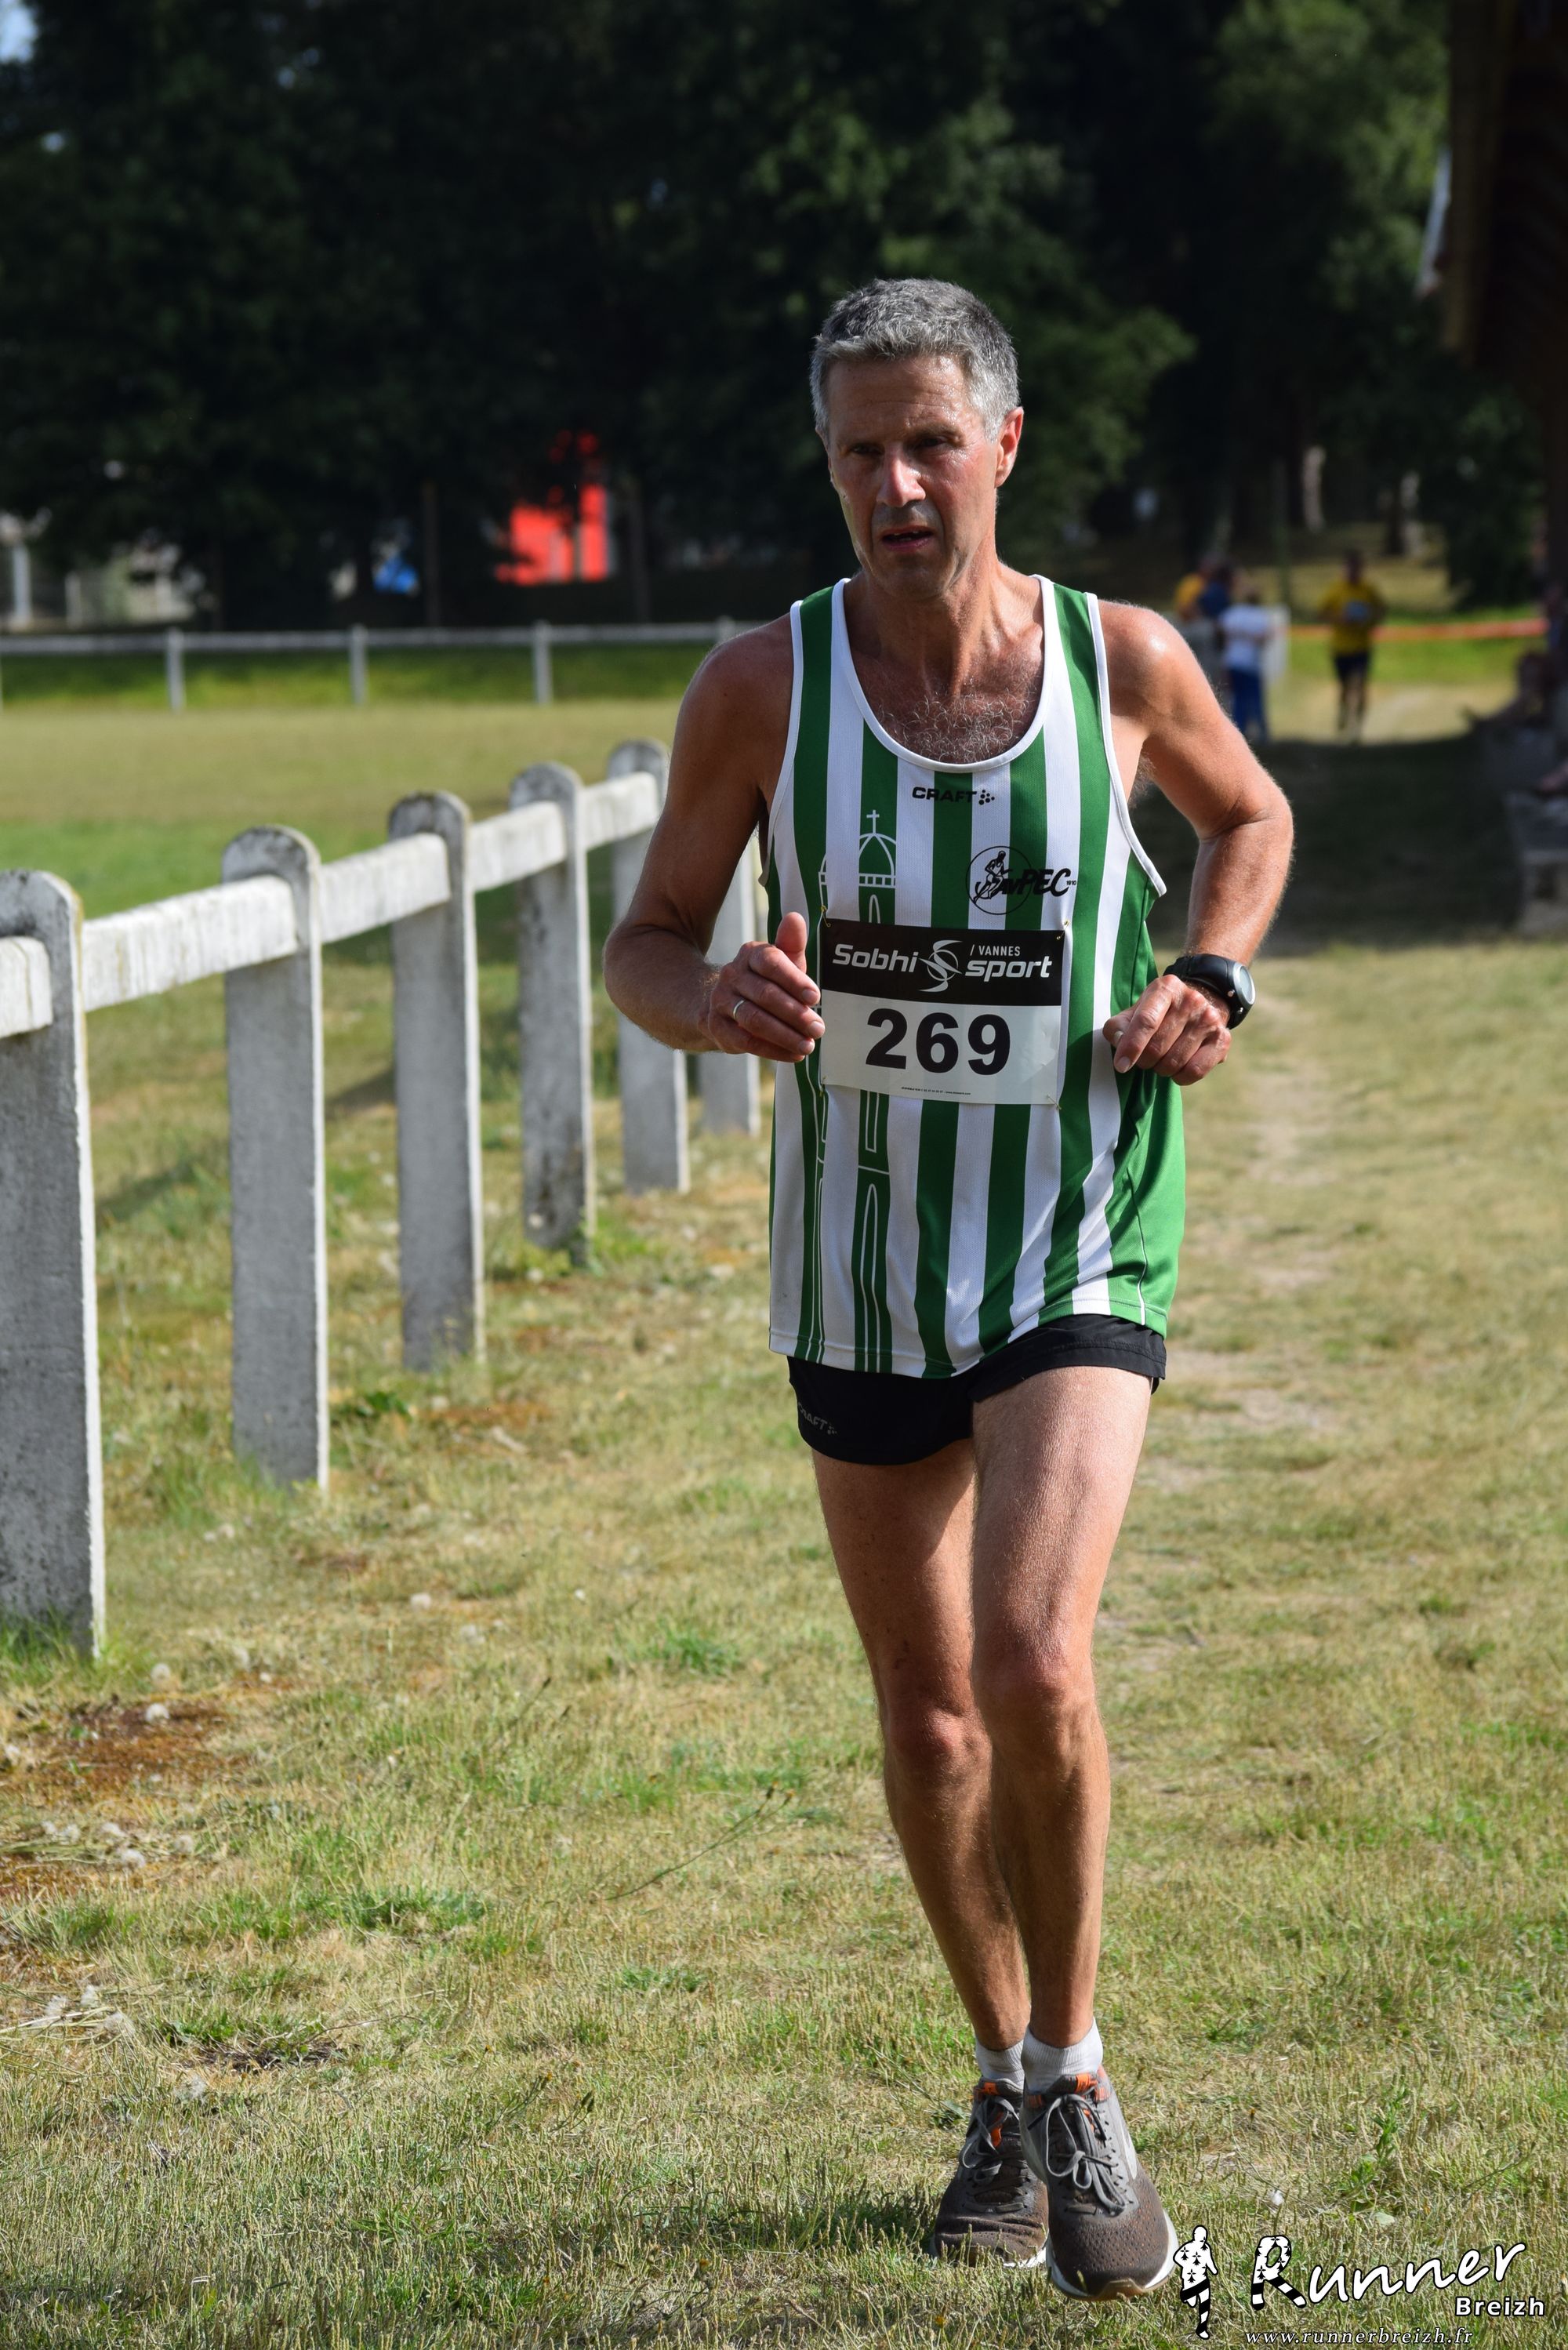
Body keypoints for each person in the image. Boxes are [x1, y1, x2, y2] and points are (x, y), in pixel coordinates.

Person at [604, 278, 1292, 2301]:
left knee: (1028, 1658)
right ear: (827, 468)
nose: (895, 484)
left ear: (1002, 442)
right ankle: (995, 2070)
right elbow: (648, 937)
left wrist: (1210, 970)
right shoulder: (761, 686)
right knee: (922, 1714)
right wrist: (710, 999)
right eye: (858, 452)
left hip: (1078, 1219)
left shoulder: (1118, 658)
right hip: (859, 1257)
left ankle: (1075, 2077)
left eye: (927, 442)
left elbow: (1247, 816)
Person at [1316, 549, 1386, 739]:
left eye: (1358, 568)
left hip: (1362, 647)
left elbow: (1382, 609)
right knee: (1345, 688)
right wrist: (1340, 619)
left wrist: (1370, 620)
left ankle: (1358, 728)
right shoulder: (1336, 589)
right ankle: (1344, 713)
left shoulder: (1368, 589)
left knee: (1361, 686)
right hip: (1340, 648)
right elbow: (1320, 613)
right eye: (1351, 568)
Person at [1218, 580, 1277, 742]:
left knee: (1238, 699)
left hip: (1233, 662)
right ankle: (1262, 734)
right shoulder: (1261, 616)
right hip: (1251, 664)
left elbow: (1221, 628)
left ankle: (1239, 734)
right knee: (1255, 699)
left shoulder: (1233, 613)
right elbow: (1266, 637)